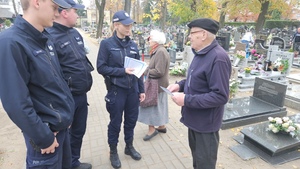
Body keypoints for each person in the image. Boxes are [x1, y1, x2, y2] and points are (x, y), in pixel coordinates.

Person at [0, 0, 76, 169]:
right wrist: (43, 137)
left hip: (60, 130)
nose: (57, 13)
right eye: (54, 7)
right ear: (37, 2)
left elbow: (56, 82)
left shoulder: (44, 38)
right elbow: (16, 103)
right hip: (46, 139)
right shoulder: (11, 42)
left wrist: (66, 114)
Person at [167, 18, 231, 169]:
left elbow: (220, 96)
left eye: (192, 33)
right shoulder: (201, 53)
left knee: (205, 164)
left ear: (203, 34)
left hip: (206, 125)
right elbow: (195, 79)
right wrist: (179, 85)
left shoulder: (218, 58)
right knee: (198, 162)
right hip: (195, 121)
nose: (189, 36)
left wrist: (187, 100)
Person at [46, 0, 94, 168]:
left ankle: (74, 162)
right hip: (66, 99)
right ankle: (66, 164)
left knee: (78, 132)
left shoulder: (75, 33)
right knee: (64, 136)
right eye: (75, 11)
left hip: (81, 95)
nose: (78, 14)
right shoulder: (50, 36)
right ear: (65, 12)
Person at [96, 10, 145, 169]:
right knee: (115, 123)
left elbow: (139, 70)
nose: (129, 27)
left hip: (133, 91)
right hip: (117, 91)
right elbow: (101, 67)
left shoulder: (133, 45)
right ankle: (113, 151)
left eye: (130, 24)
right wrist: (121, 71)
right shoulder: (107, 44)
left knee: (131, 122)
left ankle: (129, 146)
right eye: (126, 25)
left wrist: (142, 90)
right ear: (116, 25)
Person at [138, 30, 170, 141]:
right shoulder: (158, 50)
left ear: (156, 40)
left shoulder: (160, 51)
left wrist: (145, 70)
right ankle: (161, 126)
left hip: (156, 85)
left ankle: (152, 129)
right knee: (160, 106)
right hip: (159, 85)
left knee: (150, 105)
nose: (148, 41)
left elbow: (159, 71)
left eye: (150, 39)